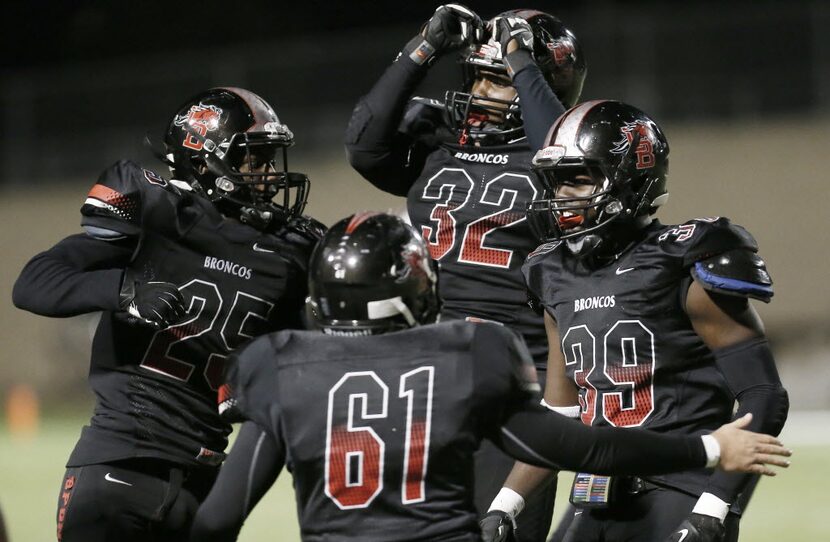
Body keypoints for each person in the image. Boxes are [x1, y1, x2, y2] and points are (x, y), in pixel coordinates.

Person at [188, 212, 789, 542]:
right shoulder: (467, 352)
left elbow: (219, 518)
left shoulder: (278, 366)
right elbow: (567, 440)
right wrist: (709, 447)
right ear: (414, 288)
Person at [12, 87, 324, 542]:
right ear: (204, 161)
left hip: (204, 482)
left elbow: (301, 362)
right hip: (120, 464)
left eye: (270, 159)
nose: (270, 175)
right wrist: (125, 290)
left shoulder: (285, 255)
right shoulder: (159, 215)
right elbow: (34, 283)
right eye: (254, 159)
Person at [482, 100, 790, 542]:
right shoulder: (549, 271)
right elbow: (561, 416)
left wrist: (714, 509)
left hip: (682, 487)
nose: (562, 194)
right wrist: (505, 504)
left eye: (578, 178)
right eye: (555, 180)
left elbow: (763, 394)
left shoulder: (681, 259)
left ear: (630, 178)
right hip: (597, 490)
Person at [345, 6, 586, 539]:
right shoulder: (442, 142)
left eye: (497, 79)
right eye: (477, 74)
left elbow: (561, 153)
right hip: (425, 377)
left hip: (516, 384)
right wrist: (421, 50)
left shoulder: (563, 160)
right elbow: (363, 146)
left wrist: (521, 60)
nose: (480, 90)